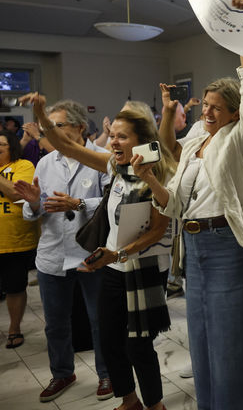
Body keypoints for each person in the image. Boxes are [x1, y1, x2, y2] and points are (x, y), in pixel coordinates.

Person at [133, 0, 243, 410]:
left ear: (236, 113)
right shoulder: (197, 139)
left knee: (232, 345)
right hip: (194, 249)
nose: (209, 111)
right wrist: (149, 178)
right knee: (201, 341)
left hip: (228, 246)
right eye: (206, 105)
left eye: (218, 107)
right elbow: (176, 203)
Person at [20, 92, 176, 410]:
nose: (114, 142)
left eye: (122, 137)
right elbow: (65, 145)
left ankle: (155, 404)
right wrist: (40, 115)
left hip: (143, 268)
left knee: (139, 344)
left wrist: (117, 254)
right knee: (108, 339)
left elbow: (159, 230)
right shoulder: (114, 165)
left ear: (141, 140)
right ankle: (129, 400)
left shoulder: (157, 171)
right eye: (113, 135)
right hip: (114, 267)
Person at [14, 100, 113, 402]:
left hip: (90, 253)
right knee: (56, 322)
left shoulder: (102, 159)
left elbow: (113, 203)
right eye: (49, 128)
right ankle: (62, 373)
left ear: (80, 127)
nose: (50, 132)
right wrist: (33, 202)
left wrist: (79, 204)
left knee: (100, 320)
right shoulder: (46, 162)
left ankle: (107, 374)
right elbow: (36, 211)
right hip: (53, 253)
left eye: (57, 126)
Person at [0, 129, 39, 350]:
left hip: (15, 240)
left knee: (15, 287)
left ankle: (14, 329)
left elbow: (17, 194)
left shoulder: (22, 166)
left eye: (1, 145)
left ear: (12, 147)